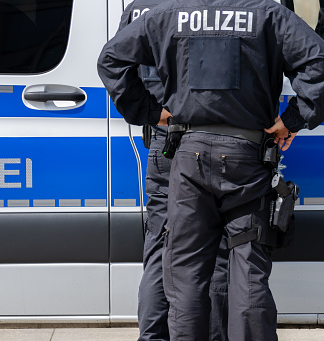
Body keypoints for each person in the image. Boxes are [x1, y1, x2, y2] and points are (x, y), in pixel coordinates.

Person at [98, 0, 324, 340]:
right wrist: (291, 121)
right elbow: (318, 63)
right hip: (247, 158)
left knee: (185, 272)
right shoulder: (267, 14)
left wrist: (149, 111)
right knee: (247, 267)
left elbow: (111, 59)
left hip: (188, 156)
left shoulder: (169, 14)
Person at [116, 2, 229, 340]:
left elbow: (117, 64)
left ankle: (152, 337)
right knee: (215, 252)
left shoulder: (141, 6)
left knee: (159, 246)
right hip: (207, 140)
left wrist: (151, 112)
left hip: (163, 141)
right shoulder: (207, 7)